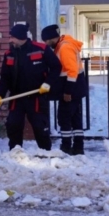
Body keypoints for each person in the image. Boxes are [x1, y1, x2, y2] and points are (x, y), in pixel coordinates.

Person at [0, 24, 61, 150]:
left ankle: (46, 153)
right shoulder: (9, 54)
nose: (10, 40)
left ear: (20, 37)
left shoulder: (41, 49)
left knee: (40, 126)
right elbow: (5, 78)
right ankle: (15, 152)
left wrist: (48, 83)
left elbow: (56, 67)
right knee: (13, 125)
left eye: (12, 37)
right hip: (17, 98)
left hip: (36, 97)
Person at [41, 24, 87, 155]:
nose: (45, 43)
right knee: (75, 118)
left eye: (46, 40)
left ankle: (66, 146)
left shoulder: (64, 47)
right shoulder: (64, 45)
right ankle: (78, 147)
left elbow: (71, 71)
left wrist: (68, 92)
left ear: (51, 38)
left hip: (71, 88)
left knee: (64, 117)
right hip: (76, 87)